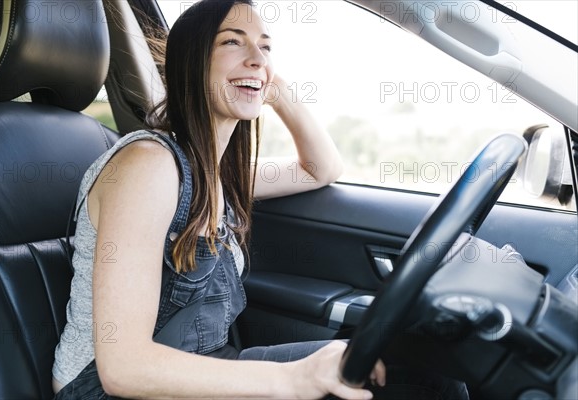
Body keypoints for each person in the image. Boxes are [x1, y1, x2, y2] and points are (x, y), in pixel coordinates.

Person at [52, 1, 468, 399]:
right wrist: (291, 380)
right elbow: (123, 367)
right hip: (108, 389)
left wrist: (266, 81)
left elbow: (320, 168)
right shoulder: (148, 166)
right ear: (190, 61)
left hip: (200, 364)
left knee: (421, 377)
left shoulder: (216, 173)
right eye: (233, 41)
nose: (256, 56)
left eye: (265, 46)